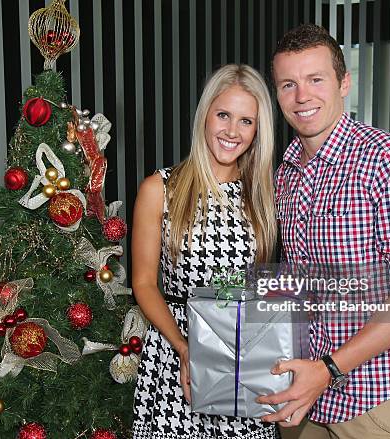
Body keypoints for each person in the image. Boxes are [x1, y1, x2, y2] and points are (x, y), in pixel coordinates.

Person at [256, 24, 390, 439]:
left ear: (344, 82)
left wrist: (330, 369)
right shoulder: (284, 173)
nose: (302, 96)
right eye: (288, 84)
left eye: (315, 79)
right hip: (299, 392)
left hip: (370, 397)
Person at [131, 64, 279, 439]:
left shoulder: (261, 197)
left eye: (246, 121)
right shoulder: (160, 188)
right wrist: (185, 350)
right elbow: (144, 284)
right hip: (176, 350)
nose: (232, 131)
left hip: (242, 356)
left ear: (258, 130)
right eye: (224, 115)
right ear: (205, 116)